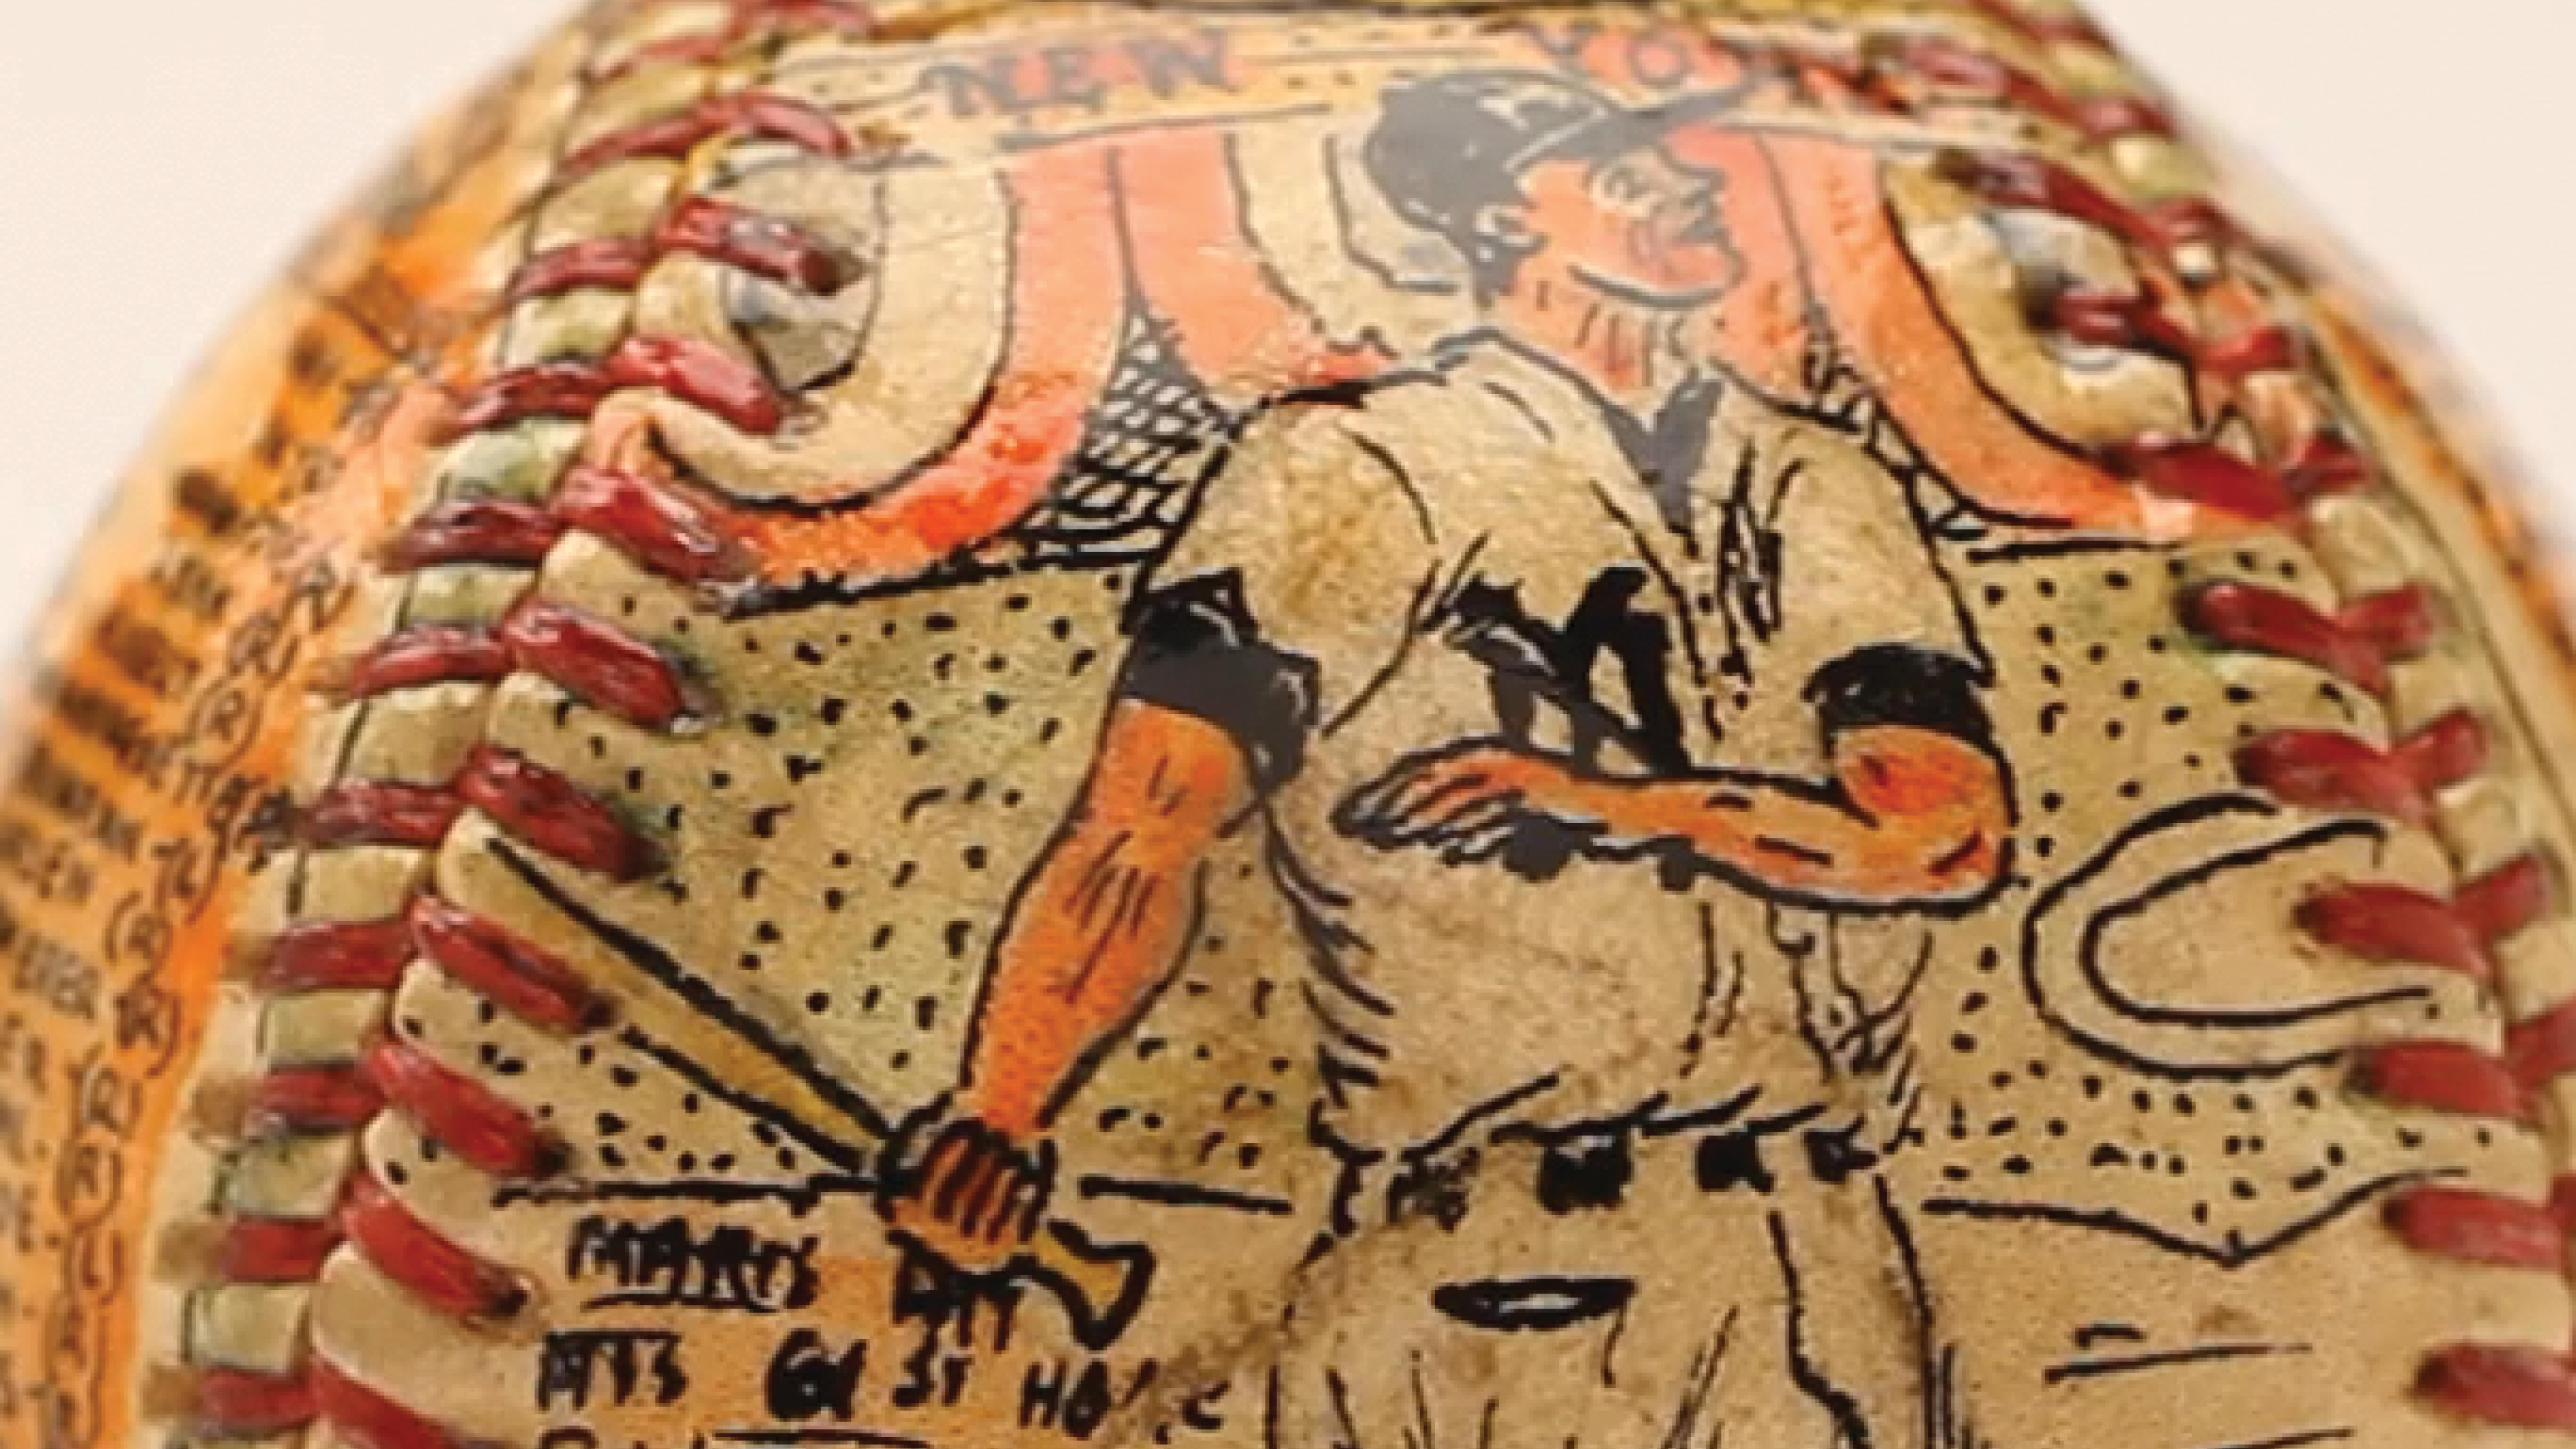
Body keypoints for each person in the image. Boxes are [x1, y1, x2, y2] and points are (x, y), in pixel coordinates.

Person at [884, 70, 2014, 1447]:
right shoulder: (1353, 468)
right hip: (1491, 1248)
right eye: (1618, 169)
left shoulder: (1817, 480)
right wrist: (999, 1113)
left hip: (1817, 1244)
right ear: (1501, 217)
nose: (1686, 188)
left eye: (1671, 161)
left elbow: (1943, 838)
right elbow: (1144, 828)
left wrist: (1613, 805)